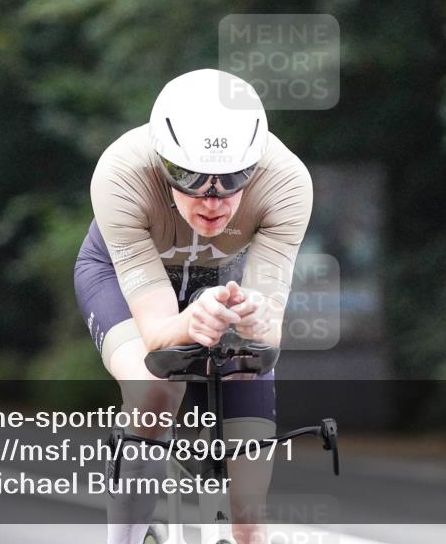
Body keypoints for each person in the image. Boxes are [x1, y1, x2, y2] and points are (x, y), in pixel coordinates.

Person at [74, 68, 313, 544]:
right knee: (154, 394)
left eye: (232, 179)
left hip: (223, 283)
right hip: (123, 279)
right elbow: (160, 333)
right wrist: (186, 321)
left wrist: (257, 318)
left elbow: (269, 332)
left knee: (249, 520)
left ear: (257, 163)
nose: (211, 200)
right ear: (162, 163)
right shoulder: (122, 172)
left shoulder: (287, 182)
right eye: (188, 178)